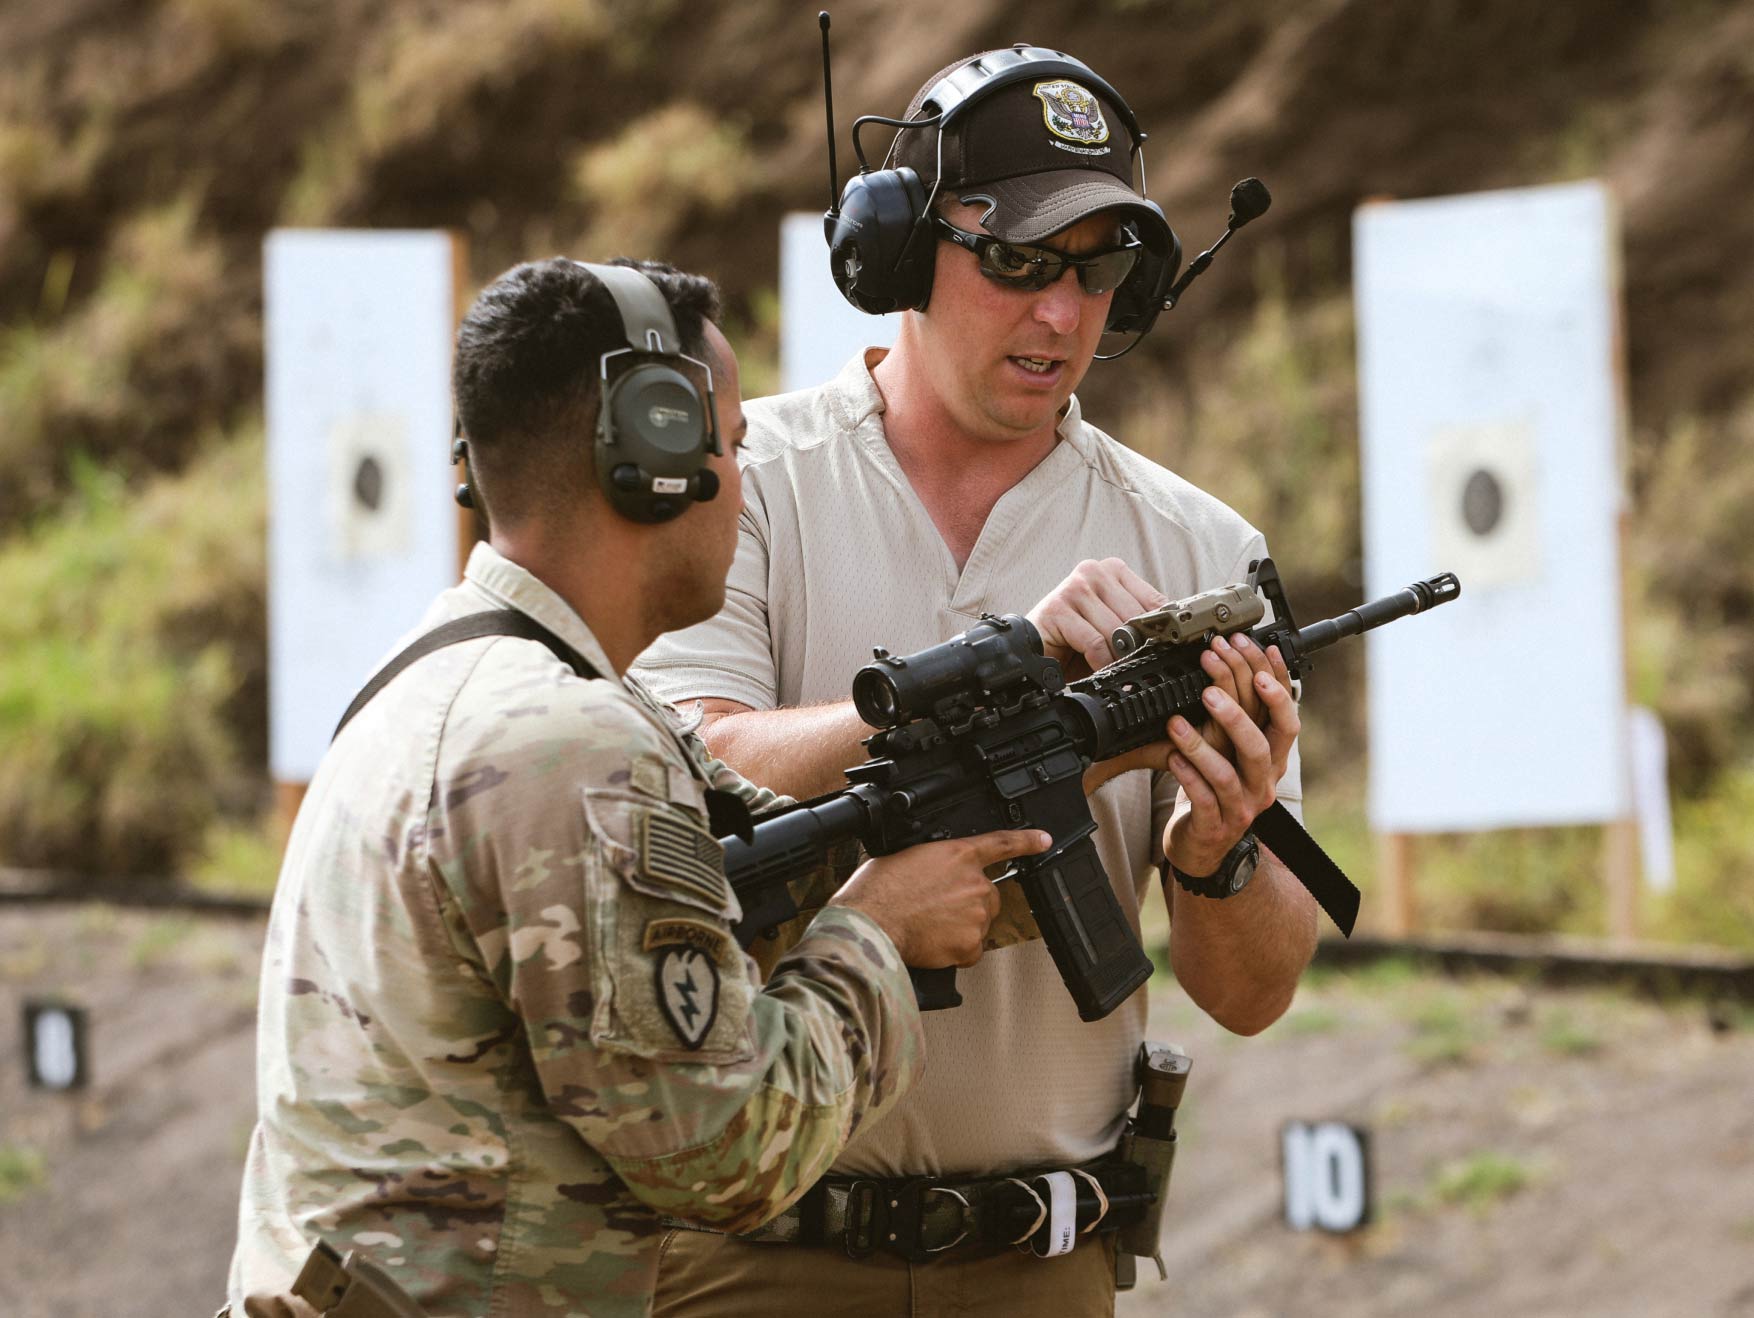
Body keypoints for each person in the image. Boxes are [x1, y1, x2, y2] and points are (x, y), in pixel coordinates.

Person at [223, 256, 1053, 1318]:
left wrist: (1079, 743)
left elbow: (740, 872)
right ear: (655, 456)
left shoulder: (447, 678)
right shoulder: (569, 748)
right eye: (736, 446)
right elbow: (725, 1149)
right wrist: (874, 936)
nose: (744, 485)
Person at [636, 50, 1319, 1315]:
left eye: (1099, 269)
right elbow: (683, 780)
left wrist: (1216, 850)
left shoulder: (1201, 551)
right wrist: (1000, 683)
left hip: (1037, 1266)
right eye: (1016, 260)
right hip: (745, 1247)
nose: (1062, 314)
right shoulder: (749, 483)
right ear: (895, 255)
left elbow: (1252, 991)